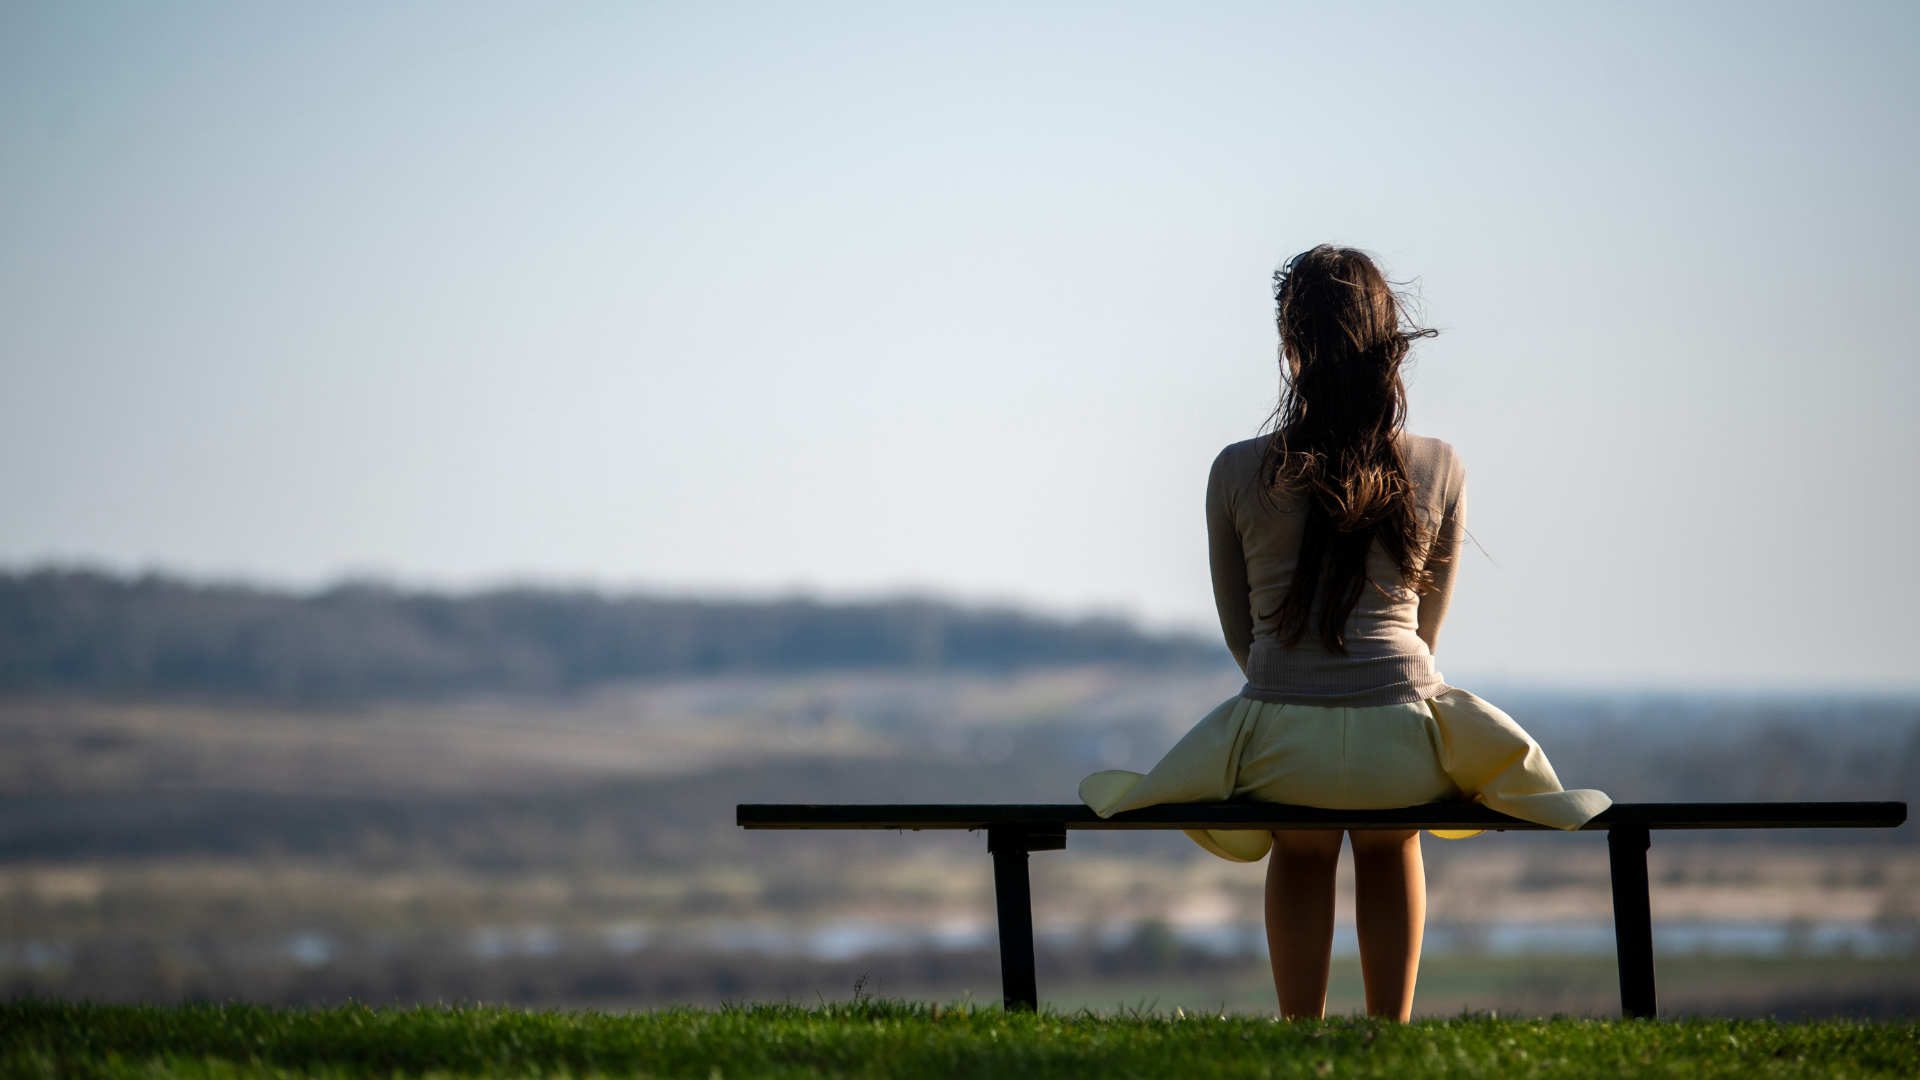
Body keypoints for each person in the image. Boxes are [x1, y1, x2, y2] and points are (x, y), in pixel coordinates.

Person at [1078, 245, 1609, 1022]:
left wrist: (1302, 686)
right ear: (1387, 341)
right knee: (1394, 842)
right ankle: (1388, 1036)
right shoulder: (1441, 465)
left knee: (1300, 846)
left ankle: (1301, 1034)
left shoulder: (1235, 470)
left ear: (1290, 345)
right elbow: (1427, 635)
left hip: (1280, 741)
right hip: (1401, 739)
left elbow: (1243, 635)